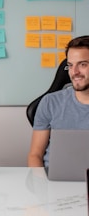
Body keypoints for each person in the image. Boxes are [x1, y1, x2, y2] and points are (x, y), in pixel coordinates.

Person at [28, 35, 89, 167]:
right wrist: (42, 184)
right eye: (70, 65)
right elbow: (35, 155)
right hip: (54, 181)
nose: (75, 72)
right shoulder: (50, 102)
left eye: (83, 64)